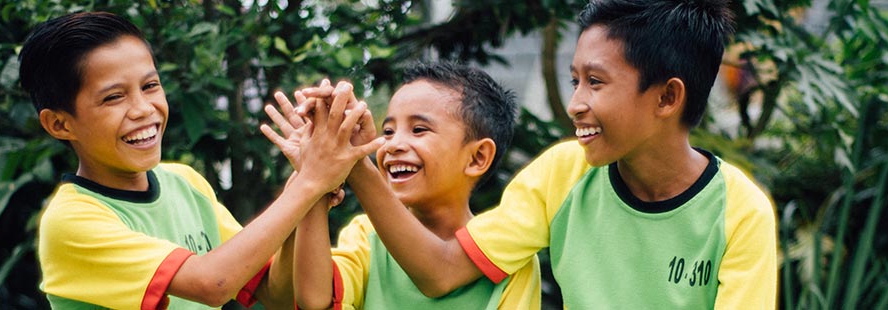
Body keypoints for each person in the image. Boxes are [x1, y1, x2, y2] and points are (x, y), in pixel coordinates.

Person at [298, 0, 778, 308]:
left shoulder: (740, 212)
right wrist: (355, 161)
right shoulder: (563, 172)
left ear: (667, 98)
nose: (576, 104)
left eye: (596, 82)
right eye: (575, 80)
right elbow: (441, 272)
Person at [19, 11, 378, 309]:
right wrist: (308, 183)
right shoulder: (71, 221)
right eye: (114, 97)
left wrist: (310, 186)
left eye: (150, 86)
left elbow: (277, 293)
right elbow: (213, 282)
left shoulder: (184, 183)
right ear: (60, 124)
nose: (144, 109)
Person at [260, 63, 539, 310]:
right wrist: (314, 176)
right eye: (389, 131)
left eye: (419, 130)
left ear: (477, 157)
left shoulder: (508, 259)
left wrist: (355, 162)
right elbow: (315, 300)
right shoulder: (366, 235)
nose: (393, 145)